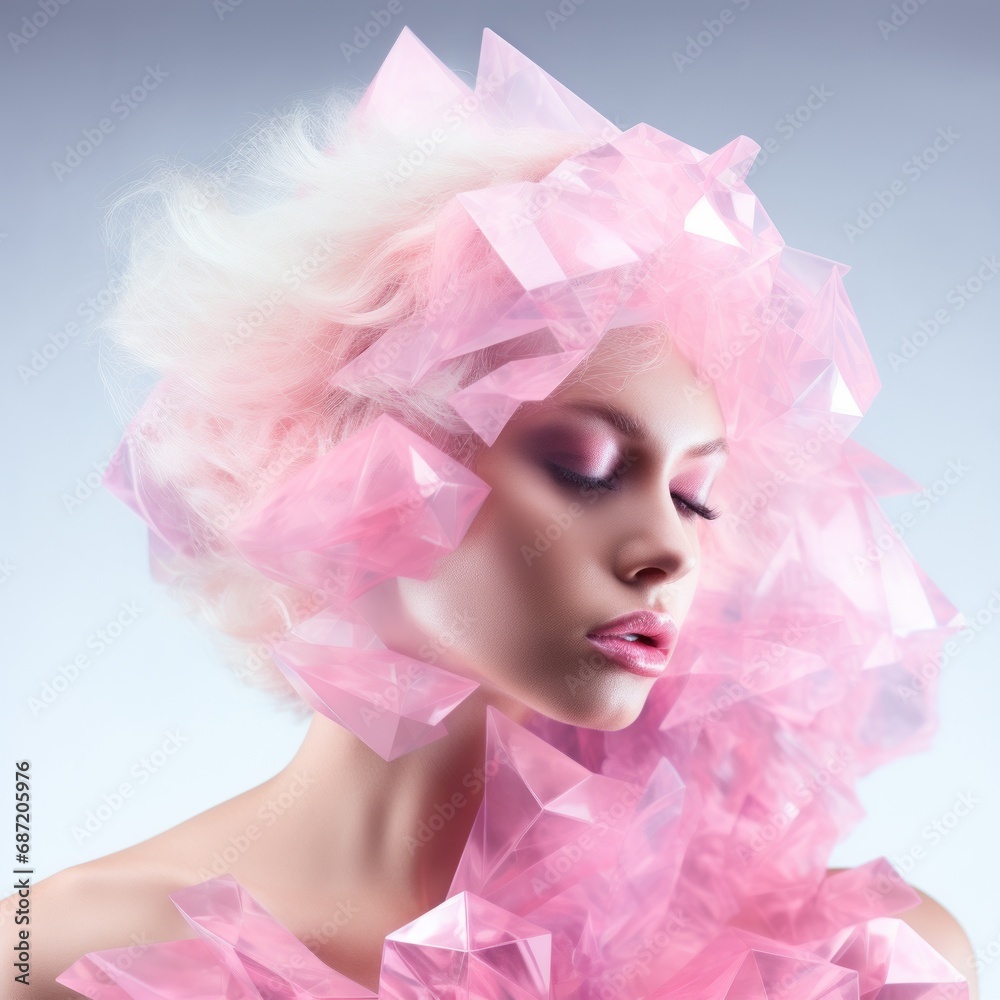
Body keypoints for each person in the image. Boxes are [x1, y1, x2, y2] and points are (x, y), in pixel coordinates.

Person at [4, 25, 977, 1000]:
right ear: (356, 464)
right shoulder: (64, 958)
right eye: (585, 468)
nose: (666, 551)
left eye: (695, 496)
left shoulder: (845, 962)